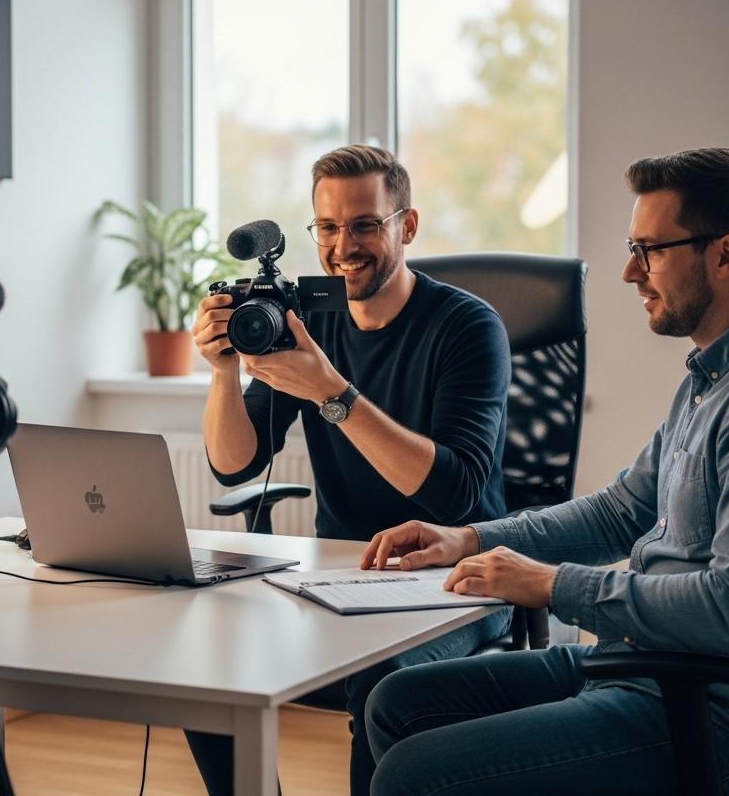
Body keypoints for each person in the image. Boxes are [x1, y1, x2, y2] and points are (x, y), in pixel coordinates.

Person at [360, 147, 729, 795]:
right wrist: (470, 538)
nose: (630, 272)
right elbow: (620, 511)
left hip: (719, 724)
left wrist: (552, 584)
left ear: (726, 254)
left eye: (650, 250)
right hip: (647, 670)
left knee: (415, 775)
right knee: (398, 701)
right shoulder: (716, 376)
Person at [188, 144, 513, 795]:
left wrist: (332, 392)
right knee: (207, 672)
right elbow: (235, 463)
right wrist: (223, 373)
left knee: (382, 684)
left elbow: (453, 493)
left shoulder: (468, 327)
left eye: (365, 224)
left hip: (456, 578)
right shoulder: (310, 321)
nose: (344, 246)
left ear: (407, 225)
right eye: (328, 228)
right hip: (340, 572)